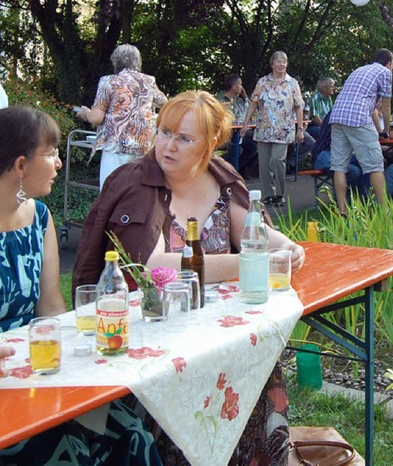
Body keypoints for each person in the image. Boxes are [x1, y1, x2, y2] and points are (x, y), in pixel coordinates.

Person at [73, 90, 305, 465]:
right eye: (164, 132)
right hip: (151, 340)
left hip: (218, 331)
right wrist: (250, 263)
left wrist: (285, 246)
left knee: (255, 360)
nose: (168, 146)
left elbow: (251, 228)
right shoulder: (134, 183)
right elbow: (153, 267)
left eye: (184, 138)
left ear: (211, 143)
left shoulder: (220, 174)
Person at [0, 105, 162, 465]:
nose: (60, 163)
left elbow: (52, 309)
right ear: (20, 165)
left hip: (39, 370)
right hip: (7, 389)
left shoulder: (40, 219)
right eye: (52, 152)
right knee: (67, 451)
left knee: (132, 433)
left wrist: (88, 345)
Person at [76, 44, 167, 189]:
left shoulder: (109, 81)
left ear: (116, 62)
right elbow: (166, 104)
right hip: (142, 147)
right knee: (136, 195)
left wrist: (86, 113)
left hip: (115, 148)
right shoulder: (148, 82)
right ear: (138, 61)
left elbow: (96, 118)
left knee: (110, 194)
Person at [329, 48, 393, 216]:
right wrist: (386, 131)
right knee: (375, 165)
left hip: (337, 116)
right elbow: (386, 106)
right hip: (357, 118)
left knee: (339, 167)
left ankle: (342, 210)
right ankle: (385, 210)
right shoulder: (385, 72)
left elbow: (369, 105)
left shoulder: (359, 70)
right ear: (389, 63)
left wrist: (379, 130)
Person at [241, 51, 304, 207]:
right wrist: (245, 124)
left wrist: (300, 128)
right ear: (272, 64)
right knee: (263, 163)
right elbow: (253, 103)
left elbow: (298, 107)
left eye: (284, 61)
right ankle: (268, 194)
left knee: (277, 160)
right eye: (279, 61)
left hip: (283, 130)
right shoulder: (263, 82)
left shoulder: (292, 83)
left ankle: (279, 193)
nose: (282, 64)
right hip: (264, 128)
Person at [312, 113, 368, 198]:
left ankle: (364, 201)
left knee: (367, 164)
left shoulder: (351, 113)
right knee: (354, 171)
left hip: (340, 153)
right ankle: (345, 205)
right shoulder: (339, 113)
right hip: (323, 154)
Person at [217, 73, 258, 176]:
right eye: (240, 84)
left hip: (235, 132)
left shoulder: (235, 100)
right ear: (234, 87)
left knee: (254, 146)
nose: (242, 87)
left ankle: (235, 170)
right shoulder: (221, 101)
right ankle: (219, 167)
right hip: (224, 134)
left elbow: (248, 109)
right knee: (237, 149)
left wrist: (244, 96)